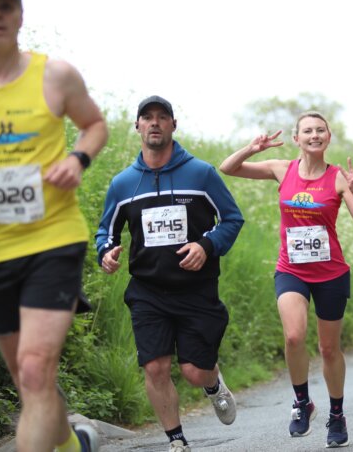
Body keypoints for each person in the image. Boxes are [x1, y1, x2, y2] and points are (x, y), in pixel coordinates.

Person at [0, 0, 108, 452]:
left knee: (35, 368)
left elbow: (94, 124)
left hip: (51, 238)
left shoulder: (53, 75)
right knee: (27, 377)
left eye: (3, 6)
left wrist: (78, 159)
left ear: (19, 16)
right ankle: (75, 445)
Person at [96, 96, 243, 452]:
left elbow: (232, 219)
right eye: (147, 118)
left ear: (173, 126)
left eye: (162, 117)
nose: (155, 123)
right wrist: (106, 252)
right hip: (147, 291)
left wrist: (206, 246)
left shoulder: (201, 174)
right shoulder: (123, 184)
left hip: (196, 289)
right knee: (155, 367)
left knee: (195, 372)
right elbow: (106, 232)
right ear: (138, 127)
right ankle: (177, 441)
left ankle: (213, 385)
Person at [219, 111, 353, 448]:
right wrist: (251, 148)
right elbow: (227, 168)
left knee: (329, 348)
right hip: (291, 269)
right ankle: (302, 403)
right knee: (293, 336)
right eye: (307, 131)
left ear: (328, 137)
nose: (314, 135)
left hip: (331, 272)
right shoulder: (281, 169)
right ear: (297, 138)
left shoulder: (338, 178)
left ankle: (336, 414)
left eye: (320, 130)